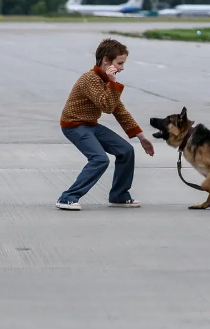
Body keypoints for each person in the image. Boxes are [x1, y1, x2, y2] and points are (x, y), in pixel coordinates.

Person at [56, 38, 155, 210]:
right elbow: (107, 106)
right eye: (120, 63)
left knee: (126, 150)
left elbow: (119, 110)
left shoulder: (104, 80)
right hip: (74, 126)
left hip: (90, 125)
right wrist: (113, 82)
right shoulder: (91, 79)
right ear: (106, 61)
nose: (122, 68)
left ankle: (119, 196)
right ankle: (67, 198)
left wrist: (141, 136)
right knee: (100, 159)